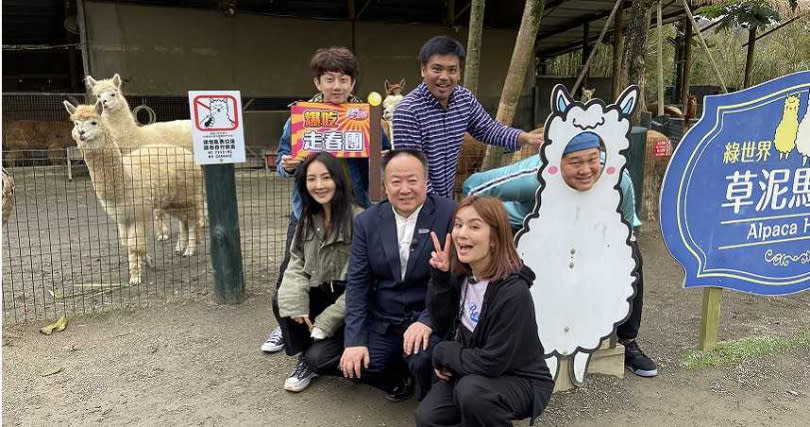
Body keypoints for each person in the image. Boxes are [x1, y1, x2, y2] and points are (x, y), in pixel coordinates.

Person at [462, 133, 659, 377]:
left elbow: (627, 228)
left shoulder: (618, 177)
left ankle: (628, 340)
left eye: (592, 160)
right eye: (575, 162)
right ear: (557, 161)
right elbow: (474, 186)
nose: (586, 170)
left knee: (633, 258)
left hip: (588, 231)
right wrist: (502, 227)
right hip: (533, 231)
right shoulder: (536, 175)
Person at [262, 46, 391, 353]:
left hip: (354, 209)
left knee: (354, 272)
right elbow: (282, 160)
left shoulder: (366, 117)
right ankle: (286, 328)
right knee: (291, 273)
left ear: (353, 83)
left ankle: (341, 328)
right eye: (329, 79)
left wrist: (384, 161)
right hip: (308, 210)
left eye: (343, 79)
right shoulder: (301, 117)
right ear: (317, 82)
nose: (337, 86)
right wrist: (287, 164)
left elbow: (383, 163)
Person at [415, 196, 554, 426]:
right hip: (473, 370)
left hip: (519, 378)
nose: (462, 233)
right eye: (458, 224)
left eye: (474, 226)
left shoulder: (513, 293)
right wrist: (440, 278)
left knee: (471, 394)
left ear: (494, 239)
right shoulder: (465, 276)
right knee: (427, 418)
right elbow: (442, 322)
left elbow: (493, 362)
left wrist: (444, 353)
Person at [340, 149, 456, 402]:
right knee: (357, 364)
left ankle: (433, 403)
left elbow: (458, 276)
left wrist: (428, 320)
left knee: (423, 359)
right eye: (396, 181)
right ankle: (400, 379)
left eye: (412, 180)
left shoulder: (449, 214)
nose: (405, 189)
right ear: (384, 185)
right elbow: (357, 284)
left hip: (428, 313)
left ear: (426, 181)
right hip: (385, 318)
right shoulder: (367, 222)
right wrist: (354, 341)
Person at [392, 35, 544, 198]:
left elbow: (489, 129)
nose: (444, 77)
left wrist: (526, 138)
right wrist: (441, 209)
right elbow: (412, 172)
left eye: (452, 70)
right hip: (415, 203)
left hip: (444, 201)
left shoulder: (464, 99)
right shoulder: (407, 111)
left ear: (459, 73)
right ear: (423, 69)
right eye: (437, 69)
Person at [275, 152, 364, 392]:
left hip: (349, 301)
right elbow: (297, 259)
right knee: (282, 301)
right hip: (321, 290)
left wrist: (327, 321)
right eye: (311, 179)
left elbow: (364, 282)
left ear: (338, 179)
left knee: (321, 358)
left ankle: (343, 357)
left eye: (326, 177)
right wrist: (296, 302)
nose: (319, 185)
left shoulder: (359, 219)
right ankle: (306, 354)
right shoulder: (308, 215)